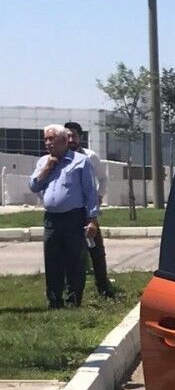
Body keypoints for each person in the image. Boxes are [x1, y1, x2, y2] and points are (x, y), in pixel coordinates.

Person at [29, 125, 99, 308]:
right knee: (52, 260)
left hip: (74, 217)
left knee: (75, 260)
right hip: (51, 219)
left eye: (51, 139)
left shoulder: (81, 162)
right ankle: (54, 300)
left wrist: (92, 220)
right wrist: (47, 168)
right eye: (45, 139)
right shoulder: (43, 161)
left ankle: (73, 301)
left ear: (63, 140)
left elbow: (90, 192)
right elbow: (34, 186)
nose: (47, 143)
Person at [66, 121, 114, 297]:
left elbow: (103, 178)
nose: (71, 139)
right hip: (68, 212)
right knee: (69, 253)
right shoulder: (60, 157)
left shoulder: (90, 156)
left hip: (87, 212)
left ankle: (103, 288)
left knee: (96, 251)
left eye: (74, 136)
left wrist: (99, 197)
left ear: (80, 137)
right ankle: (70, 290)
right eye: (67, 136)